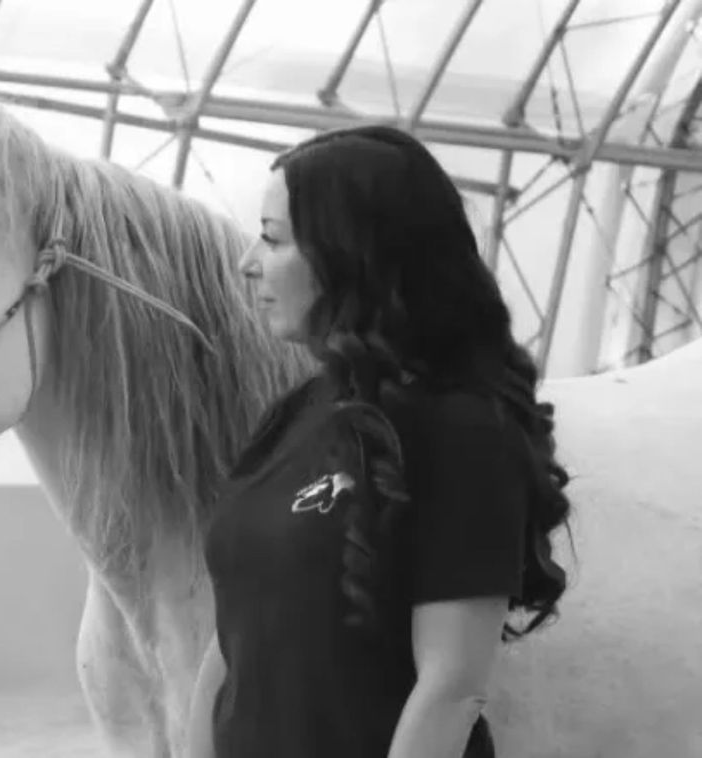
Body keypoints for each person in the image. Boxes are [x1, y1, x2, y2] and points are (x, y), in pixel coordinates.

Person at [185, 125, 572, 758]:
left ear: (353, 255)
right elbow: (230, 645)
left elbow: (451, 686)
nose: (247, 261)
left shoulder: (460, 430)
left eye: (274, 238)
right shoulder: (295, 414)